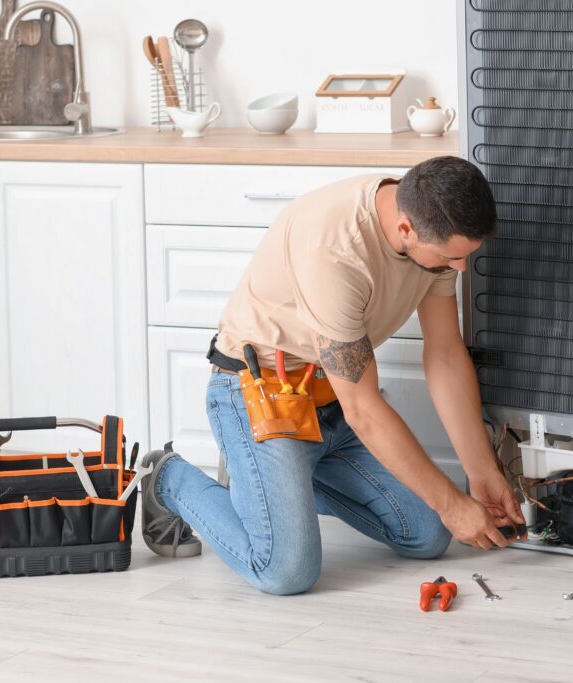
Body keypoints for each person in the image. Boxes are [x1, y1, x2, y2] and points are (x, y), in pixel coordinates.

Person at [138, 155, 526, 595]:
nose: (459, 268)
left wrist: (480, 471)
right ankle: (166, 478)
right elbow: (364, 409)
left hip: (330, 400)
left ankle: (276, 488)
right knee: (285, 571)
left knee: (428, 534)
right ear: (405, 230)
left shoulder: (430, 226)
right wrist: (452, 503)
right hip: (262, 395)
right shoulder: (335, 251)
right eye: (451, 258)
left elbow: (444, 355)